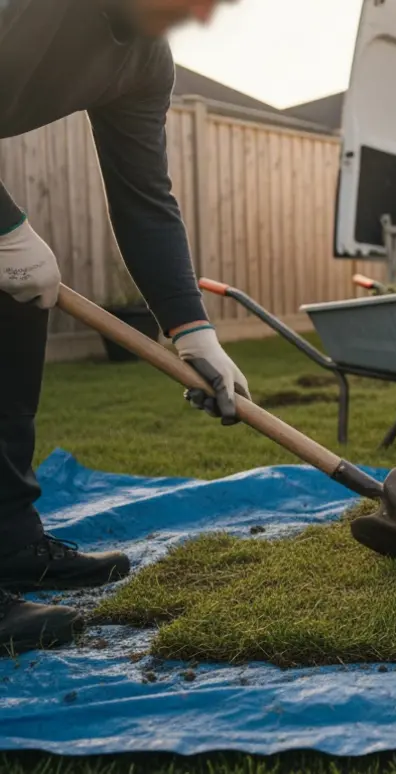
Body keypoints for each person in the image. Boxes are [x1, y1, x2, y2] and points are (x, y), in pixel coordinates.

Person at [0, 0, 249, 652]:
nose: (199, 14)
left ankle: (10, 541)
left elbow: (145, 201)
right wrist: (4, 227)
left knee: (15, 299)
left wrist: (192, 330)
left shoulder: (146, 61)